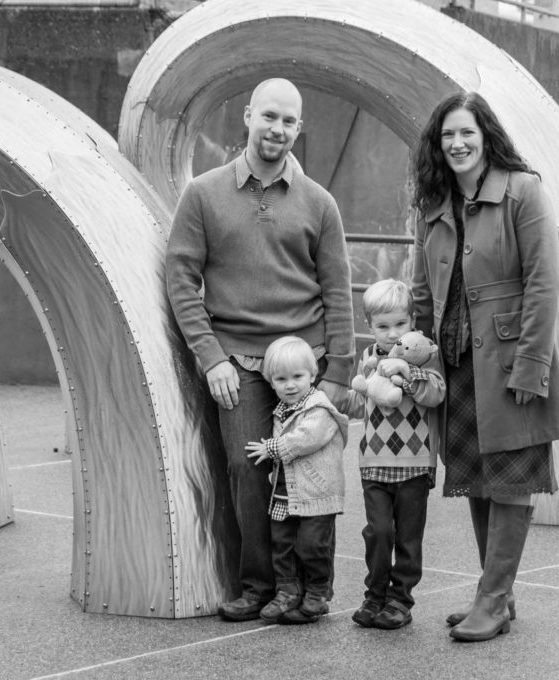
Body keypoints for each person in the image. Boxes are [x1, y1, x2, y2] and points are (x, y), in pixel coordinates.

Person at [165, 78, 354, 621]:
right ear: (247, 115)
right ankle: (259, 586)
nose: (277, 129)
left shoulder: (320, 203)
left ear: (300, 128)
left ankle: (310, 590)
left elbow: (337, 291)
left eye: (288, 121)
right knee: (249, 472)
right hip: (239, 364)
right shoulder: (202, 193)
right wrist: (210, 357)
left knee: (310, 479)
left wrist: (338, 373)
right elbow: (181, 279)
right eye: (268, 116)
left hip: (306, 364)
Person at [409, 92, 559, 642]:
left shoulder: (522, 191)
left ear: (487, 137)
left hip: (508, 363)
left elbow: (544, 284)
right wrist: (414, 357)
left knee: (509, 482)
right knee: (478, 480)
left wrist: (532, 364)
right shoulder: (432, 201)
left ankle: (494, 599)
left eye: (467, 134)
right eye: (447, 135)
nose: (456, 144)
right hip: (454, 362)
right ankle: (495, 593)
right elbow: (419, 292)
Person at [345, 279, 445, 630]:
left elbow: (435, 393)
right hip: (373, 463)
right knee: (378, 531)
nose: (391, 333)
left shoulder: (424, 355)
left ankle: (400, 600)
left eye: (400, 324)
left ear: (412, 322)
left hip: (414, 466)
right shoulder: (368, 358)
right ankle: (374, 595)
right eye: (382, 326)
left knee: (407, 536)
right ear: (369, 326)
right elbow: (361, 403)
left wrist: (406, 376)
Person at [246, 336, 348, 625]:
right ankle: (288, 591)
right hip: (285, 491)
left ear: (313, 374)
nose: (290, 384)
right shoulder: (280, 410)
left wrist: (271, 448)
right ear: (270, 382)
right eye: (281, 379)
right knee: (282, 544)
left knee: (312, 544)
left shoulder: (318, 408)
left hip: (316, 493)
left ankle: (317, 592)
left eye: (297, 377)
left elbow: (306, 438)